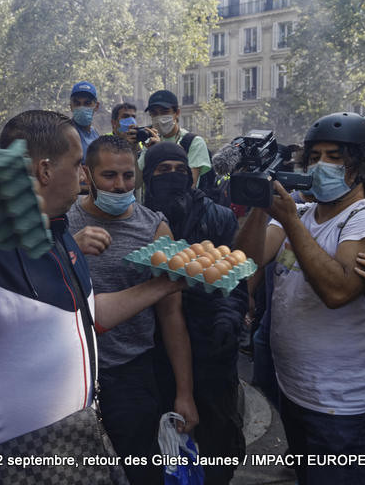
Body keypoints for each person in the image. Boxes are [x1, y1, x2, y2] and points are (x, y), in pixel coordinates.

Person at [0, 110, 189, 484]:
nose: (84, 175)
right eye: (78, 164)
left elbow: (84, 316)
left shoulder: (57, 231)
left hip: (53, 457)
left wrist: (163, 285)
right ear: (46, 170)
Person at [236, 112, 365, 485]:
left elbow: (337, 291)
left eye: (335, 157)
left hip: (343, 407)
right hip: (295, 391)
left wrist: (291, 222)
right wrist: (259, 204)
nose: (321, 166)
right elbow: (245, 266)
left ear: (360, 166)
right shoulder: (297, 212)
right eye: (315, 157)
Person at [68, 135, 196, 484]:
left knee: (140, 470)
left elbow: (171, 315)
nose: (120, 185)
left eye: (128, 176)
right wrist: (67, 248)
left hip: (131, 373)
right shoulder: (63, 224)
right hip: (73, 372)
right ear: (86, 174)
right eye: (109, 176)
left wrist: (184, 392)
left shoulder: (155, 227)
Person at [142, 142, 245, 485]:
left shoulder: (218, 216)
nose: (173, 177)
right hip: (155, 351)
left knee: (218, 442)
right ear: (148, 177)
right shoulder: (139, 220)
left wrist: (227, 318)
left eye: (180, 170)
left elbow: (235, 282)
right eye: (162, 170)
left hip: (211, 348)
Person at [138, 90, 211, 191]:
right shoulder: (150, 143)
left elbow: (189, 186)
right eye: (154, 113)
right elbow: (137, 182)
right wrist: (132, 149)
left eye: (164, 112)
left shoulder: (193, 142)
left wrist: (161, 150)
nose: (159, 118)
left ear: (177, 113)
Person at [70, 80, 100, 161]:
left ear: (96, 106)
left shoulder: (94, 133)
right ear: (71, 106)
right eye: (77, 103)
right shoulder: (67, 133)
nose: (81, 107)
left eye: (87, 103)